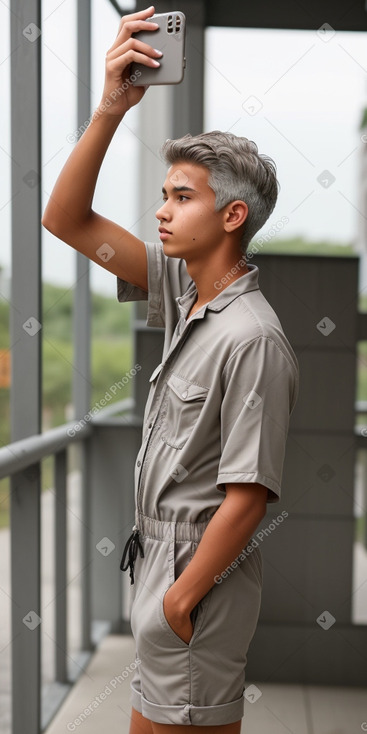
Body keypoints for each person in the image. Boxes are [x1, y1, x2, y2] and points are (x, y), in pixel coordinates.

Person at [42, 5, 299, 734]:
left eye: (181, 197)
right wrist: (109, 109)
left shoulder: (252, 338)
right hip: (159, 563)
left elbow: (248, 496)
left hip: (194, 578)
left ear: (231, 217)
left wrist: (179, 601)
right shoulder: (185, 291)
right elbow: (65, 220)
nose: (161, 211)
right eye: (163, 194)